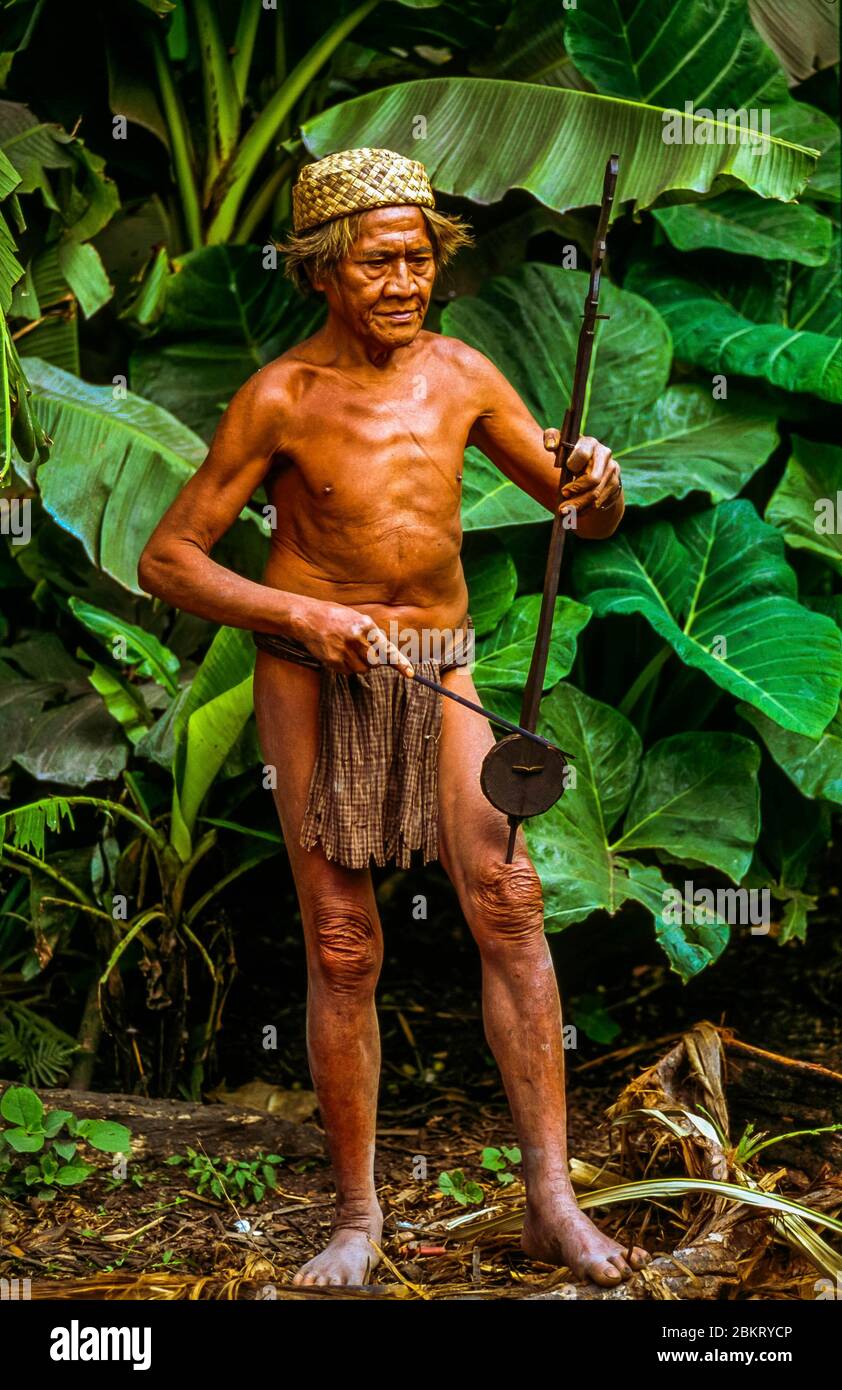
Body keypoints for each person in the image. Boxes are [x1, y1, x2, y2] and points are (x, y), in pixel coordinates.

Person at [139, 147, 644, 1288]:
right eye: (378, 263)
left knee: (510, 900)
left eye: (418, 259)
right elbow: (167, 558)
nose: (403, 281)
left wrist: (596, 479)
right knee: (342, 941)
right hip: (311, 673)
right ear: (324, 270)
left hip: (437, 663)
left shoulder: (461, 373)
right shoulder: (280, 396)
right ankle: (357, 1218)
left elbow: (577, 509)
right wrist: (298, 616)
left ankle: (549, 1203)